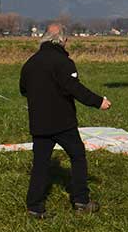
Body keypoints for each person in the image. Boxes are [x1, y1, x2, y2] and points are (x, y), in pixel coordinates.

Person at [19, 23, 112, 219]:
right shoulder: (63, 62)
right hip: (62, 123)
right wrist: (99, 102)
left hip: (39, 123)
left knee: (40, 165)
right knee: (77, 156)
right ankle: (81, 201)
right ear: (62, 40)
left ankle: (34, 207)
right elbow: (75, 88)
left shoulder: (30, 63)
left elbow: (23, 89)